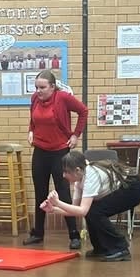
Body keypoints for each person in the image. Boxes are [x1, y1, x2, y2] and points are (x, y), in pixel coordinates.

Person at [24, 70, 86, 250]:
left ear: (52, 87)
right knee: (40, 192)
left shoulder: (63, 98)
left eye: (42, 87)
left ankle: (74, 235)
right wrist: (31, 131)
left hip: (60, 152)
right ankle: (38, 233)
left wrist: (75, 135)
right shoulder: (35, 99)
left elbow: (83, 111)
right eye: (36, 87)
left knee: (63, 192)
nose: (38, 91)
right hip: (40, 151)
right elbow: (33, 118)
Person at [43, 149, 140, 261]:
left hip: (133, 188)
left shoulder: (90, 177)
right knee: (92, 210)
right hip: (127, 186)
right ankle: (101, 248)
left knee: (95, 211)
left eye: (66, 172)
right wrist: (53, 209)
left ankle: (120, 249)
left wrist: (58, 202)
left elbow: (82, 211)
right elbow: (75, 210)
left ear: (77, 170)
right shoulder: (79, 179)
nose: (63, 175)